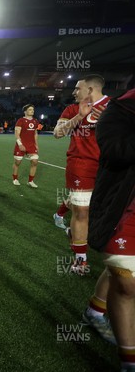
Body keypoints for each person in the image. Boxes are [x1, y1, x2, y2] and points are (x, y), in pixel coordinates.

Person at [88, 89, 135, 372]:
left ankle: (95, 308)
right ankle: (129, 362)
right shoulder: (120, 111)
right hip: (124, 207)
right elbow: (116, 151)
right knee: (127, 283)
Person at [54, 74, 110, 273]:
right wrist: (78, 117)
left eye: (78, 89)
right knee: (82, 211)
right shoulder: (71, 109)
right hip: (81, 166)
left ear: (91, 90)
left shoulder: (114, 107)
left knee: (101, 212)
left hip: (110, 168)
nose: (74, 92)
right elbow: (57, 133)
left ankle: (75, 233)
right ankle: (81, 259)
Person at [12, 104, 40, 188]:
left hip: (31, 145)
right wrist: (20, 144)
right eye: (30, 109)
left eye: (33, 109)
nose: (32, 111)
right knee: (18, 162)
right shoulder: (20, 120)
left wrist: (36, 144)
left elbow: (35, 133)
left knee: (35, 161)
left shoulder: (35, 121)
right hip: (21, 144)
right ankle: (15, 179)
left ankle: (30, 181)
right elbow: (17, 133)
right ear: (25, 111)